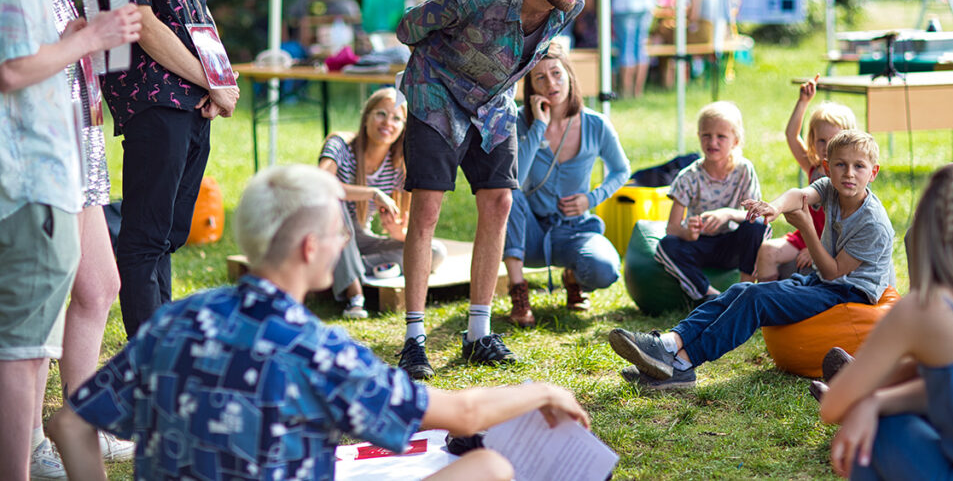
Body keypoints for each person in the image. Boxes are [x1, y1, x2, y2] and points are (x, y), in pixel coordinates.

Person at [48, 165, 591, 481]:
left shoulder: (174, 322)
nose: (343, 244)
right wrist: (541, 389)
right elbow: (464, 413)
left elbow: (71, 423)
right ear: (311, 248)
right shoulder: (319, 351)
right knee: (489, 469)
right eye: (340, 235)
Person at [396, 0, 600, 379]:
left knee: (500, 201)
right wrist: (444, 63)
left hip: (492, 103)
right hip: (438, 93)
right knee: (427, 208)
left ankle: (478, 334)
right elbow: (408, 29)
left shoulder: (570, 4)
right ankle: (413, 341)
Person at [0, 0, 141, 477]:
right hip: (35, 162)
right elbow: (15, 66)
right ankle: (44, 435)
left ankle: (69, 426)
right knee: (44, 318)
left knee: (84, 293)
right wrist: (90, 39)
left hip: (67, 152)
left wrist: (92, 48)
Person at [75, 0, 240, 338]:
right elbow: (137, 22)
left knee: (168, 234)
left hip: (190, 96)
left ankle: (164, 348)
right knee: (145, 237)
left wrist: (219, 81)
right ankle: (152, 366)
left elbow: (195, 13)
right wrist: (209, 80)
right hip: (153, 98)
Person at [608, 130, 894, 390]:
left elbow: (834, 274)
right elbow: (800, 195)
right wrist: (775, 207)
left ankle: (681, 364)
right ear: (828, 168)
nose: (849, 173)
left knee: (755, 298)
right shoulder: (830, 188)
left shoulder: (873, 224)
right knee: (740, 290)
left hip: (850, 292)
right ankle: (669, 344)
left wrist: (807, 228)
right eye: (841, 165)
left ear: (873, 172)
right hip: (823, 282)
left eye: (859, 166)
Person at [819, 163, 953, 479]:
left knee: (881, 434)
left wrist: (874, 392)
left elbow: (831, 406)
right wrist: (876, 400)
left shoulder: (924, 308)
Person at [503, 43, 629, 327]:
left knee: (605, 269)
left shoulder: (596, 125)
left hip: (575, 230)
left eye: (557, 73)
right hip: (530, 234)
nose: (551, 83)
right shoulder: (520, 123)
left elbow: (621, 170)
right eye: (540, 78)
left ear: (570, 75)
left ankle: (573, 276)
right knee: (507, 194)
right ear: (531, 87)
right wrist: (538, 127)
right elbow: (515, 179)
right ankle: (519, 293)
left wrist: (592, 199)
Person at [318, 88, 446, 319]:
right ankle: (355, 295)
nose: (388, 122)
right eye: (380, 114)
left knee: (435, 251)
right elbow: (319, 184)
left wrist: (399, 233)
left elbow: (407, 230)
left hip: (358, 241)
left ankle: (347, 269)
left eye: (397, 118)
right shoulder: (340, 144)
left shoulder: (397, 165)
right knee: (332, 202)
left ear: (404, 127)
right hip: (324, 234)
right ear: (366, 116)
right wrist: (373, 193)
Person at [652, 101, 768, 302]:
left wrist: (727, 213)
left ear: (735, 140)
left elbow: (756, 213)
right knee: (666, 246)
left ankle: (745, 290)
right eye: (706, 135)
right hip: (701, 245)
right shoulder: (688, 176)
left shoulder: (743, 170)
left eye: (721, 137)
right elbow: (672, 228)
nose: (712, 142)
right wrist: (688, 233)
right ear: (698, 136)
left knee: (757, 226)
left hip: (732, 243)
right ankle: (709, 296)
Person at [754, 77, 857, 281]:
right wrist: (803, 102)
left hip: (832, 244)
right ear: (813, 141)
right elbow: (792, 135)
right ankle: (766, 302)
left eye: (834, 141)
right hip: (804, 238)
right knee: (766, 251)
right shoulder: (813, 166)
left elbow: (848, 226)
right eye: (821, 140)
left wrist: (817, 250)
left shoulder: (850, 179)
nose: (827, 147)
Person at [609, 0, 655, 99]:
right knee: (640, 49)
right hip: (646, 6)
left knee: (626, 49)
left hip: (624, 7)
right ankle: (638, 92)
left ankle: (625, 93)